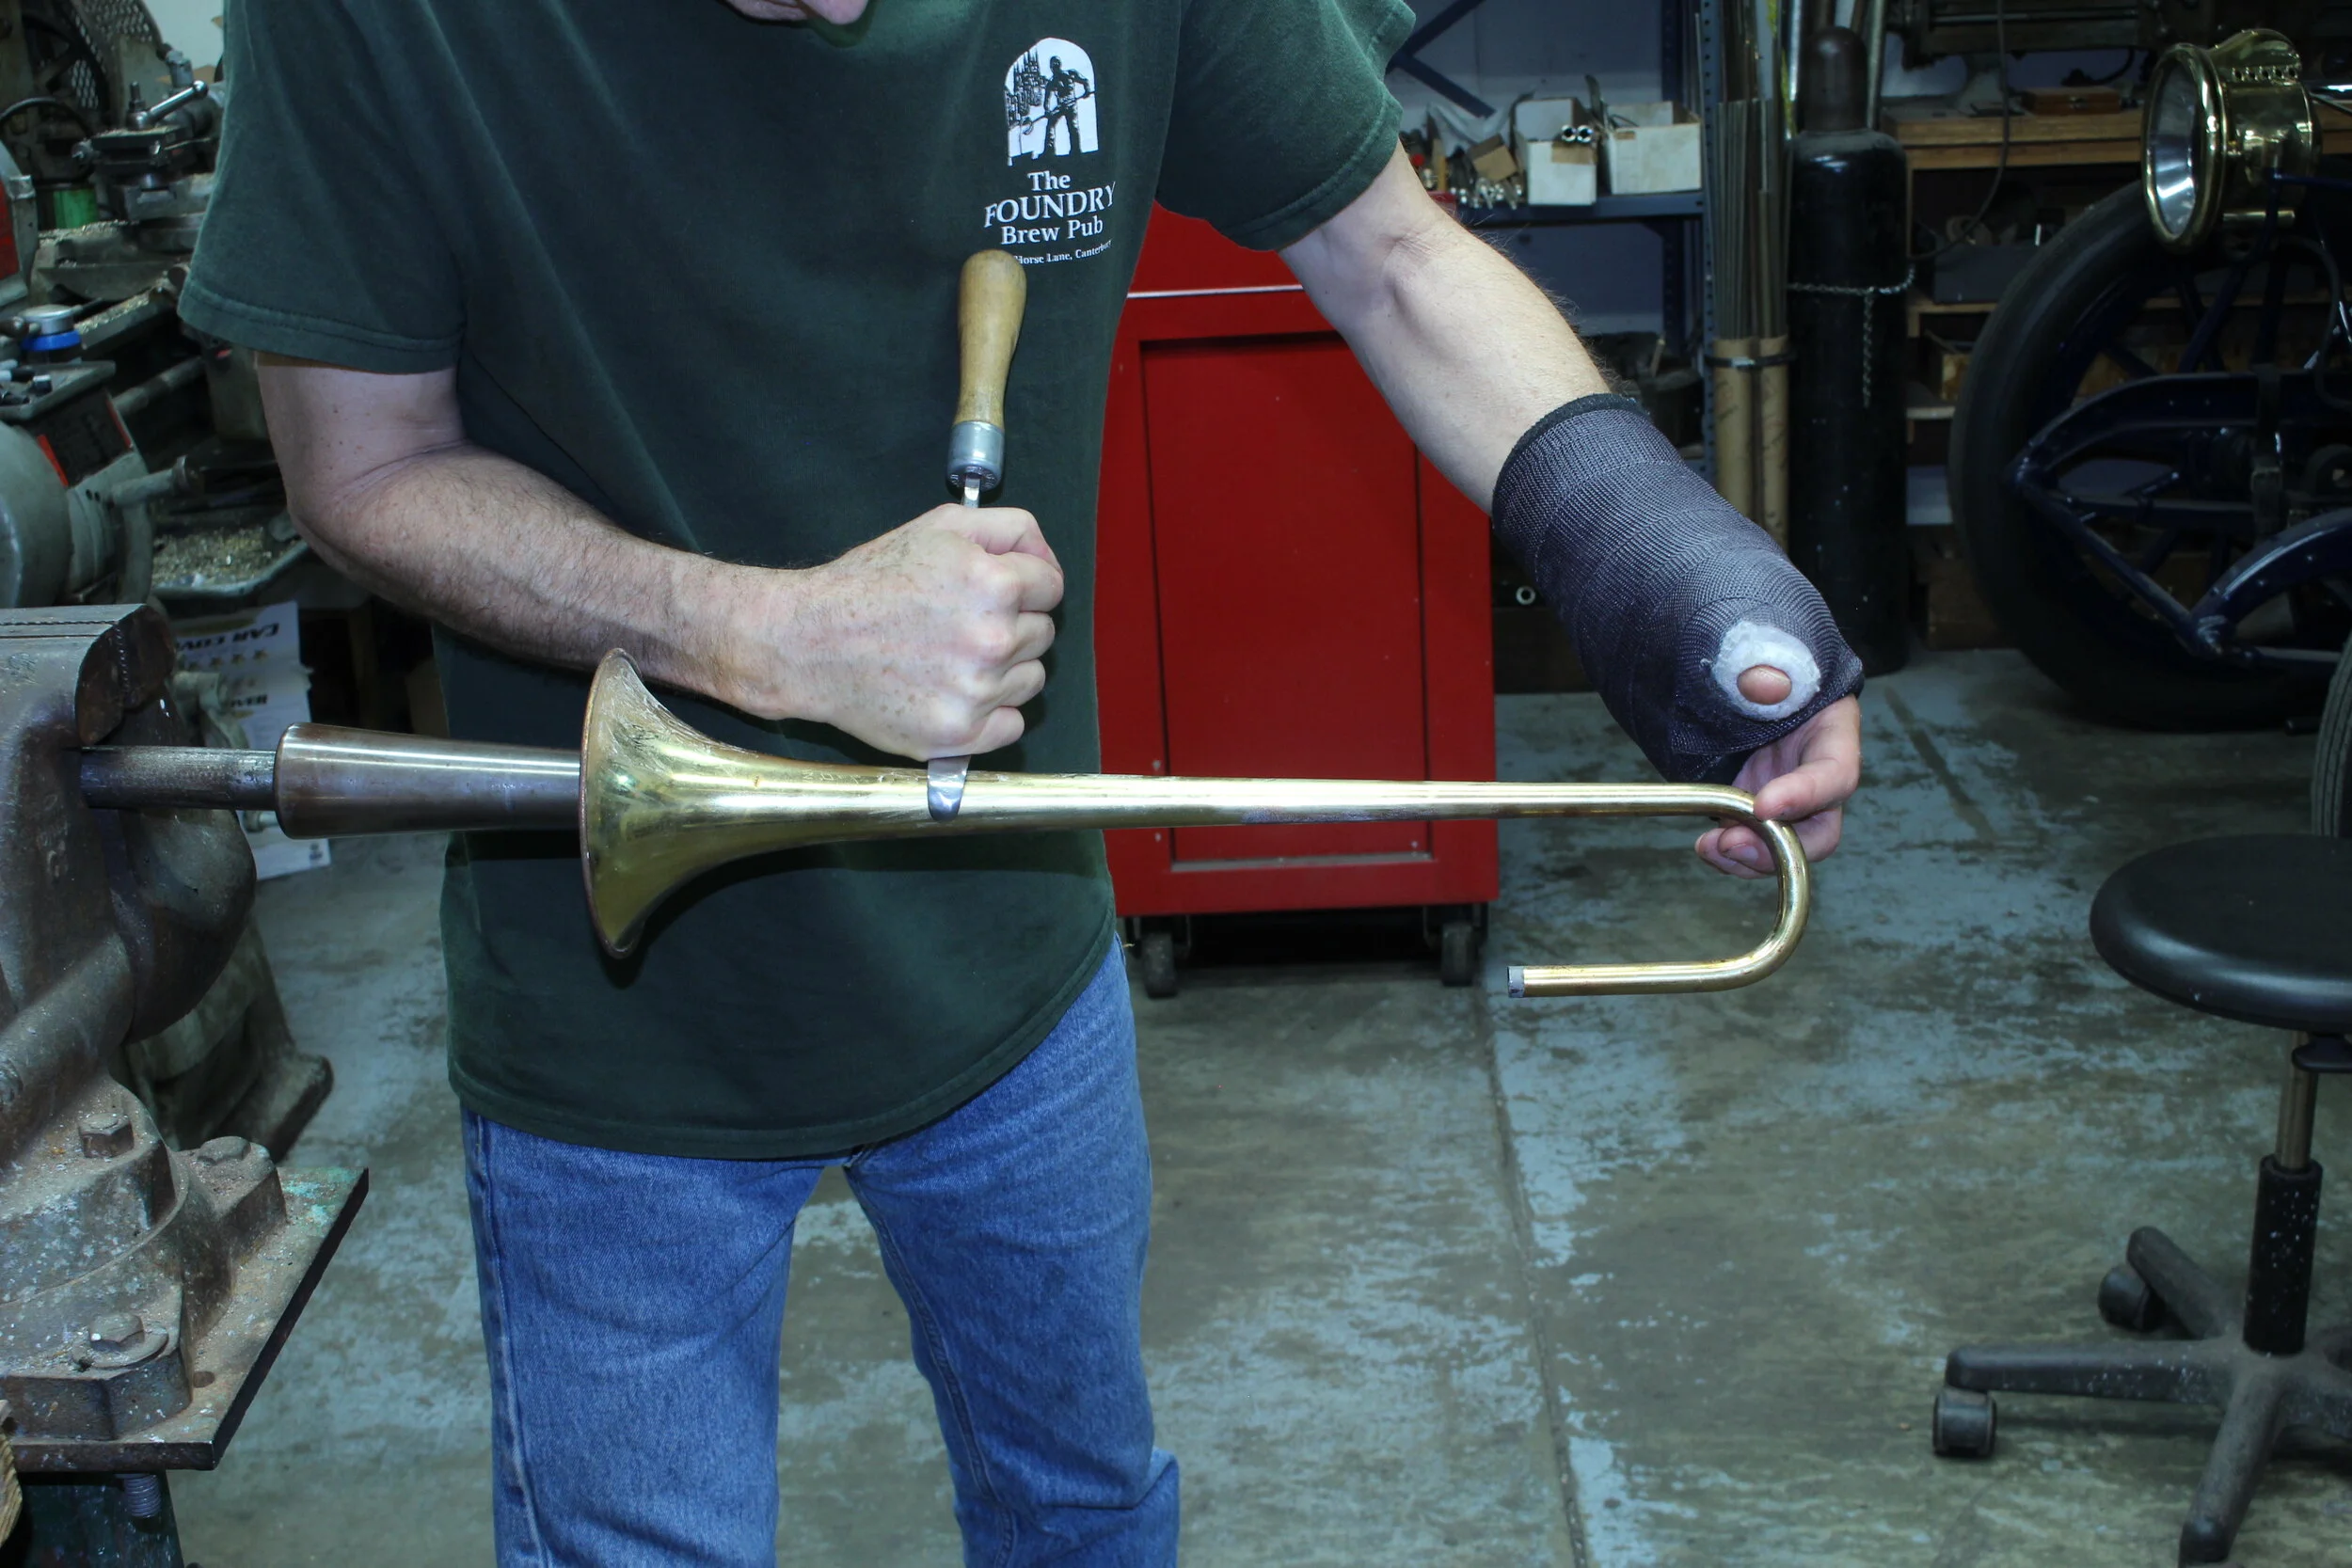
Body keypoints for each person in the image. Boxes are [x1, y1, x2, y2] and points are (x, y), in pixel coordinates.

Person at [183, 0, 1864, 1562]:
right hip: (616, 1009)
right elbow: (363, 462)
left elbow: (1397, 257)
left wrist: (1663, 564)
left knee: (1084, 1513)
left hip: (1011, 955)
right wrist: (765, 633)